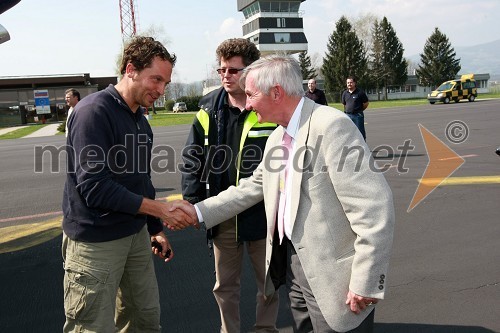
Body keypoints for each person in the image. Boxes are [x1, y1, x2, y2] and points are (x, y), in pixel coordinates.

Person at [172, 54, 395, 333]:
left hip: (334, 278)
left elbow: (374, 209)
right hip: (293, 269)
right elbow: (253, 187)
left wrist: (366, 280)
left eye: (252, 95)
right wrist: (198, 211)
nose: (248, 104)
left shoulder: (332, 127)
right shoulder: (278, 137)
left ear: (276, 92)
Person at [62, 36, 194, 333]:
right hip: (95, 242)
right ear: (131, 69)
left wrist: (154, 229)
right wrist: (160, 210)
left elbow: (140, 182)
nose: (161, 91)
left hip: (134, 236)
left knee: (145, 319)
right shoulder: (93, 112)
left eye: (166, 83)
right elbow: (95, 187)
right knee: (91, 326)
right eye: (156, 80)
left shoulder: (140, 121)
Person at [181, 38, 279, 333]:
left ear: (250, 72)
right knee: (225, 287)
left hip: (265, 215)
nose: (225, 75)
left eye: (233, 70)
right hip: (223, 215)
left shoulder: (269, 105)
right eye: (221, 69)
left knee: (269, 285)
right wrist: (191, 200)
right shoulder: (208, 107)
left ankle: (265, 329)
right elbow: (192, 157)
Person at [341, 76, 369, 140]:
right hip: (347, 115)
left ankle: (362, 147)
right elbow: (344, 103)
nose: (349, 84)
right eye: (348, 83)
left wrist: (359, 110)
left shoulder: (360, 92)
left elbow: (366, 103)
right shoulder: (345, 93)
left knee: (360, 132)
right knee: (348, 132)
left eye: (351, 82)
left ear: (355, 83)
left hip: (357, 115)